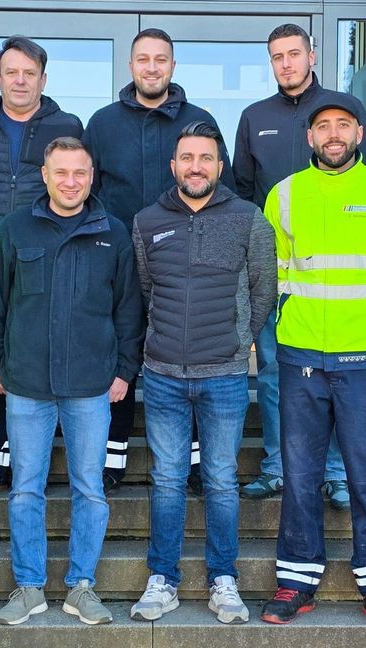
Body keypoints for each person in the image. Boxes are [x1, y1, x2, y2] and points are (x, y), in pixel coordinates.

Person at [259, 96, 366, 630]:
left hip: (365, 357)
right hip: (301, 353)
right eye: (323, 126)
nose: (333, 134)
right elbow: (272, 272)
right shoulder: (282, 196)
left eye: (343, 126)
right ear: (310, 138)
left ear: (360, 133)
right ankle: (296, 581)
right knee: (301, 473)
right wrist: (289, 318)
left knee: (364, 471)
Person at [0, 137, 142, 626]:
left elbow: (129, 308)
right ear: (44, 175)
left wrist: (124, 370)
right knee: (26, 488)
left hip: (92, 385)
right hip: (26, 384)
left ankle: (81, 587)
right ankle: (28, 587)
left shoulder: (111, 232)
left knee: (89, 488)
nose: (71, 182)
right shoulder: (14, 229)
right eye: (61, 172)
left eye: (81, 173)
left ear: (92, 178)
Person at [128, 122, 275, 625]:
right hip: (164, 372)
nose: (196, 166)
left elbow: (263, 292)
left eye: (206, 158)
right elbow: (147, 291)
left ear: (219, 165)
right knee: (167, 479)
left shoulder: (248, 219)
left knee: (220, 478)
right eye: (187, 157)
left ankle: (223, 579)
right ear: (174, 166)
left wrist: (238, 339)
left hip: (225, 374)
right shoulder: (147, 221)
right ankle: (163, 579)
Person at [233, 22, 366, 504]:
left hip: (343, 286)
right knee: (275, 373)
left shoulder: (342, 109)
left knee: (338, 378)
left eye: (294, 54)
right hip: (278, 277)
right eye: (277, 56)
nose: (286, 64)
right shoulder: (254, 117)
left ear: (311, 55)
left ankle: (337, 472)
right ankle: (278, 466)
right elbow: (242, 194)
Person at [83, 27, 234, 494]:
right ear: (130, 66)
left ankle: (192, 462)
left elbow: (218, 186)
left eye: (161, 59)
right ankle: (112, 456)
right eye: (143, 59)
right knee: (122, 349)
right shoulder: (103, 123)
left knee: (187, 358)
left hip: (189, 261)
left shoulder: (199, 119)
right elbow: (88, 188)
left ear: (172, 66)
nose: (152, 67)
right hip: (119, 256)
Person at [0, 36, 84, 498]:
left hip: (42, 253)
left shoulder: (66, 124)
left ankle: (32, 458)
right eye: (12, 72)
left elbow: (77, 187)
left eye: (30, 73)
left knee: (32, 351)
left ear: (43, 79)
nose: (21, 80)